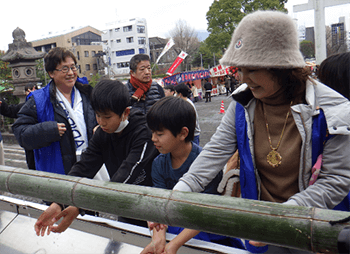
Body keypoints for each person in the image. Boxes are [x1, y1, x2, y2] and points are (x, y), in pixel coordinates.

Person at [150, 11, 350, 254]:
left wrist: (283, 215)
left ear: (281, 66)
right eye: (240, 69)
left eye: (252, 70)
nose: (243, 78)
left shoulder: (332, 109)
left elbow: (335, 181)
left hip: (313, 231)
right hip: (260, 231)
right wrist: (176, 196)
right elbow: (214, 153)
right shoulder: (243, 103)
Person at [34, 79, 159, 236]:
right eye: (97, 115)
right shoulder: (102, 133)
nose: (101, 122)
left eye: (106, 117)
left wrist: (79, 206)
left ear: (125, 113)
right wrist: (60, 202)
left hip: (153, 208)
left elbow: (124, 177)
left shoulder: (143, 133)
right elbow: (84, 167)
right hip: (125, 205)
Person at [142, 96, 242, 254]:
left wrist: (175, 244)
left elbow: (207, 214)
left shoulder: (206, 165)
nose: (153, 138)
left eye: (159, 134)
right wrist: (158, 238)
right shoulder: (158, 163)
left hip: (204, 227)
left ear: (183, 133)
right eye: (153, 132)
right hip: (174, 223)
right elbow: (159, 207)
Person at [12, 47, 97, 175]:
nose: (70, 73)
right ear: (51, 73)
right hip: (60, 172)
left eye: (73, 67)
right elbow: (20, 132)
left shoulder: (88, 93)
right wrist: (48, 130)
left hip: (92, 167)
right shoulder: (38, 101)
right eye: (64, 68)